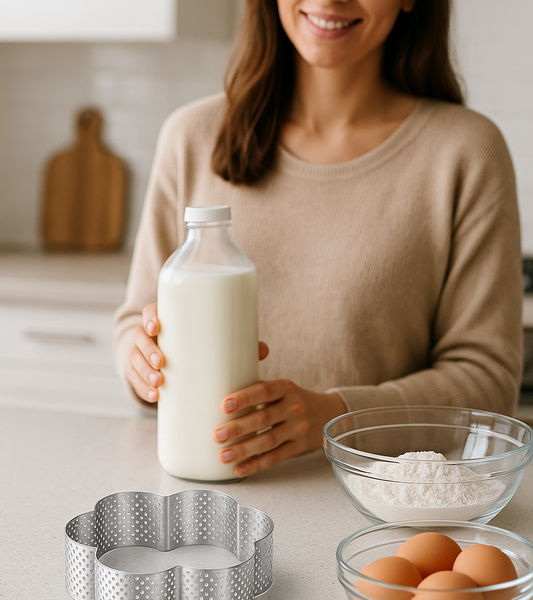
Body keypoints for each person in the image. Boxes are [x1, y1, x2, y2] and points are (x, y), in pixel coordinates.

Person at [113, 0, 523, 480]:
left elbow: (488, 380)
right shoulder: (191, 136)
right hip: (198, 496)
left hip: (374, 509)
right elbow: (133, 323)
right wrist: (140, 362)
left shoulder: (466, 152)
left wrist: (333, 416)